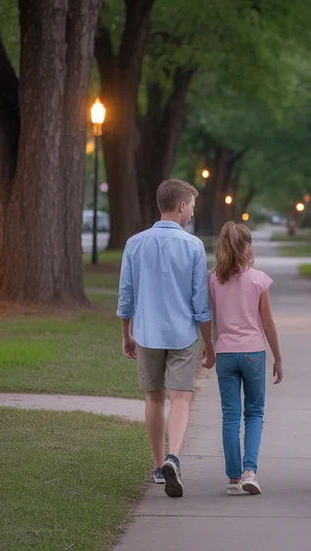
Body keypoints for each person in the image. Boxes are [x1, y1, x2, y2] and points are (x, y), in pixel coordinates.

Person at [117, 179, 215, 498]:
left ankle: (160, 466)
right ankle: (174, 457)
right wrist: (209, 345)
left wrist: (126, 334)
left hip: (146, 332)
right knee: (182, 397)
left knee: (153, 397)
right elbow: (201, 303)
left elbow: (126, 296)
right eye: (192, 207)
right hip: (183, 333)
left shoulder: (135, 243)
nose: (192, 213)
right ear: (182, 206)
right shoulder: (193, 246)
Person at [207, 222, 283, 496]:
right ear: (248, 247)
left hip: (225, 352)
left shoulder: (213, 279)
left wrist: (208, 347)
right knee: (254, 414)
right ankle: (250, 471)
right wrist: (278, 358)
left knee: (230, 415)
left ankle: (233, 477)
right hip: (253, 353)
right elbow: (268, 323)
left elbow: (209, 317)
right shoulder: (259, 280)